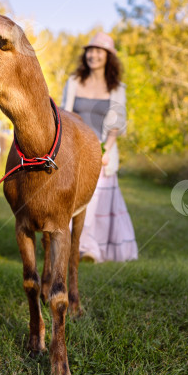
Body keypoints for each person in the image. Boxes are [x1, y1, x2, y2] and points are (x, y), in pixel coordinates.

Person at [61, 32, 138, 263]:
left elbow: (116, 124)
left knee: (95, 202)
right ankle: (75, 246)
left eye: (99, 51)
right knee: (72, 200)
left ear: (108, 56)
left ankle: (88, 248)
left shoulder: (116, 88)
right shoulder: (74, 82)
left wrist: (105, 151)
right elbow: (65, 114)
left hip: (102, 153)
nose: (93, 55)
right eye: (90, 50)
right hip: (74, 152)